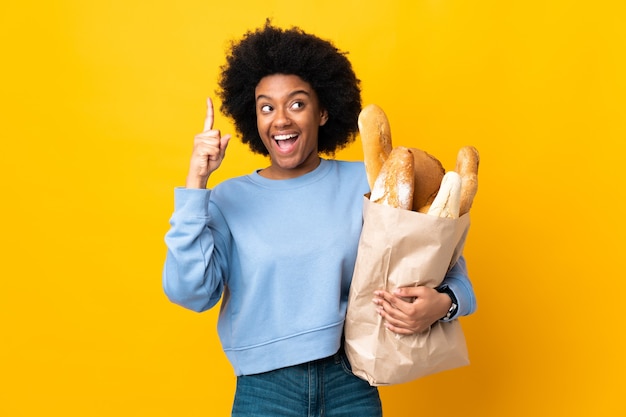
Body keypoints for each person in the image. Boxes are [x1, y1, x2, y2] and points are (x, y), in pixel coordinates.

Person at [163, 21, 476, 417]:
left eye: (296, 103)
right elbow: (190, 292)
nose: (280, 119)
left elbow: (446, 265)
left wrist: (444, 304)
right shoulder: (228, 198)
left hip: (353, 381)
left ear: (323, 111)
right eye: (266, 107)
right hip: (265, 391)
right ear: (253, 118)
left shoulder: (366, 182)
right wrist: (196, 184)